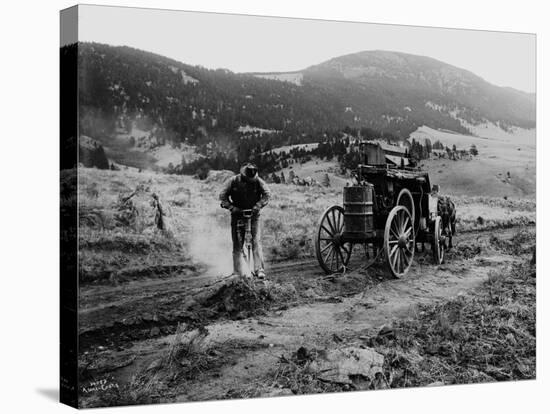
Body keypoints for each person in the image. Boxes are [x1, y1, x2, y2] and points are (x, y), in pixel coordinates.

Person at [219, 163, 271, 278]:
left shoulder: (258, 181)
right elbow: (222, 196)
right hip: (237, 215)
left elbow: (267, 194)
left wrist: (258, 206)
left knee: (256, 241)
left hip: (254, 216)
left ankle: (259, 269)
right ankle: (238, 271)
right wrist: (232, 208)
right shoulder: (233, 181)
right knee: (237, 244)